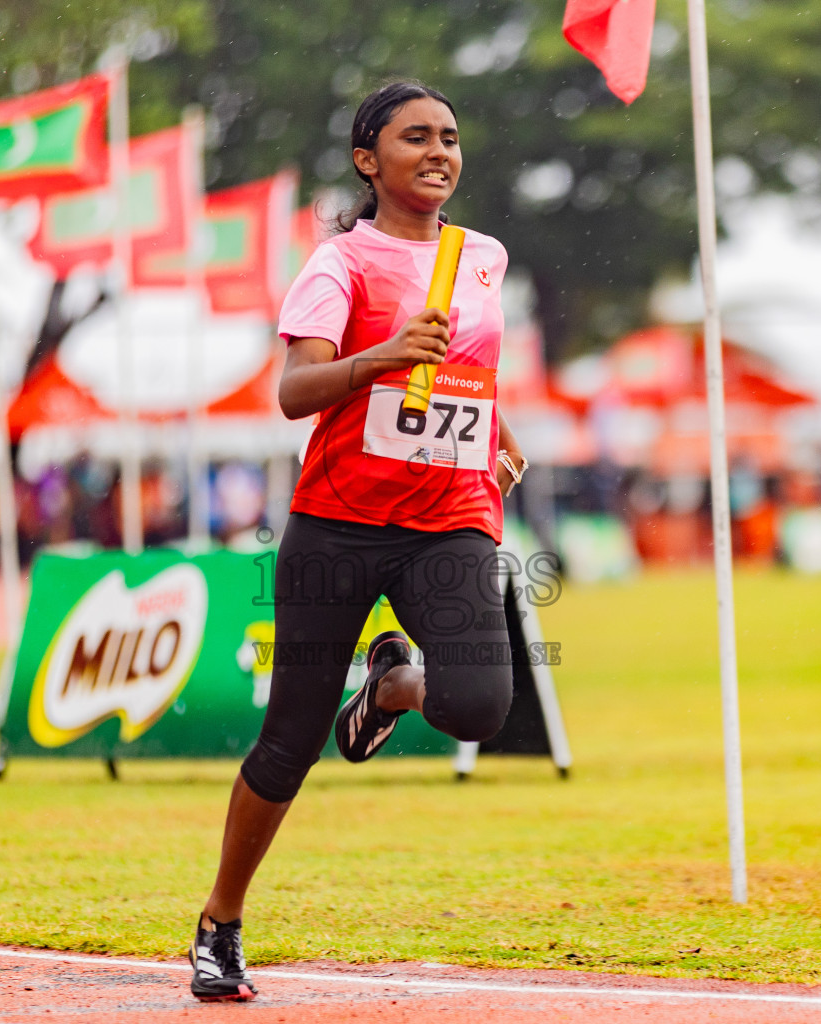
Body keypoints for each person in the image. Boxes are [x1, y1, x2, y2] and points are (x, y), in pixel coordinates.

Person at [189, 81, 529, 1002]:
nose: (439, 152)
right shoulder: (341, 262)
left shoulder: (486, 257)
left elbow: (470, 371)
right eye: (415, 137)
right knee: (290, 737)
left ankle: (391, 685)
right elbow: (297, 393)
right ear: (368, 160)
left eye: (450, 138)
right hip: (338, 523)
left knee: (479, 707)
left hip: (449, 520)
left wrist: (494, 436)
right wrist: (381, 356)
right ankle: (221, 921)